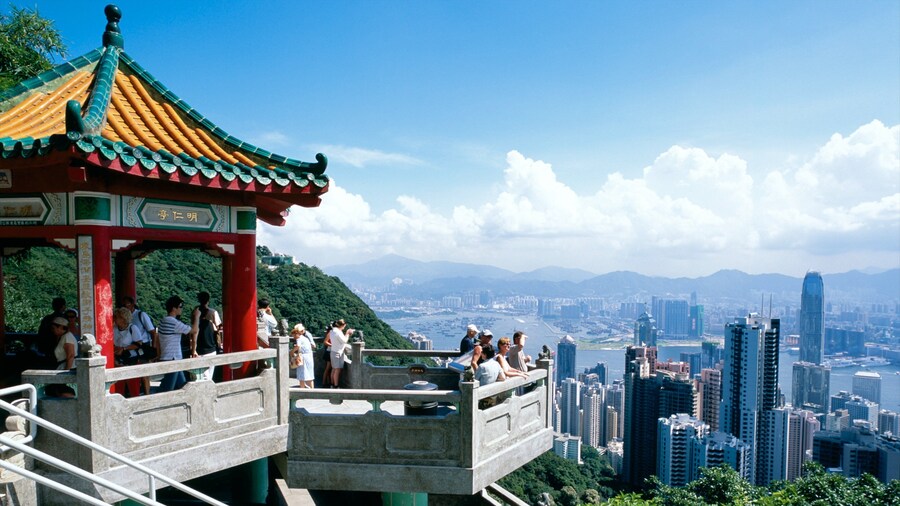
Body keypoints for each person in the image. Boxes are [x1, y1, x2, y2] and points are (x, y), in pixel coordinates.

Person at [156, 296, 195, 392]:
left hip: (167, 357)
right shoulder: (173, 322)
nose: (181, 308)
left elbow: (157, 339)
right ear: (174, 308)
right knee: (167, 389)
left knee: (183, 387)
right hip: (173, 359)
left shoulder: (163, 321)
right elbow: (194, 330)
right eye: (180, 306)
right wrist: (197, 317)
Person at [121, 296, 157, 395]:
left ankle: (147, 394)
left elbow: (153, 332)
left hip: (143, 346)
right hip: (130, 347)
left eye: (127, 304)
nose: (125, 307)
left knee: (144, 372)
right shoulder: (123, 318)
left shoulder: (141, 315)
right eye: (123, 305)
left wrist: (153, 349)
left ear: (132, 304)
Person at [113, 307, 146, 397]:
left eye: (117, 317)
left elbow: (139, 343)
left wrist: (124, 349)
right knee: (118, 387)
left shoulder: (132, 328)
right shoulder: (114, 328)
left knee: (133, 388)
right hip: (118, 360)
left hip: (131, 360)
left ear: (123, 318)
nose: (115, 319)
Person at [191, 291, 222, 382]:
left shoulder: (195, 312)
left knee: (200, 376)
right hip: (211, 346)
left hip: (198, 348)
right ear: (208, 300)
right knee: (209, 376)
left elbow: (193, 330)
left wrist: (193, 349)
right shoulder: (213, 312)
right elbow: (218, 327)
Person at [44, 316, 77, 397]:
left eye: (54, 328)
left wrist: (66, 373)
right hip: (62, 367)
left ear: (61, 327)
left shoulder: (67, 337)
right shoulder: (62, 337)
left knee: (60, 389)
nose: (53, 330)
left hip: (68, 367)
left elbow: (70, 355)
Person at [329, 319, 355, 388]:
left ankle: (332, 384)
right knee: (337, 370)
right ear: (342, 325)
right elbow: (344, 340)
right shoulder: (338, 332)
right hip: (337, 352)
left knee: (334, 369)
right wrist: (347, 333)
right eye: (344, 326)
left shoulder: (332, 331)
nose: (344, 327)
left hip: (334, 351)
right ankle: (336, 386)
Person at [291, 324, 316, 388]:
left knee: (301, 375)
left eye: (293, 335)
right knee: (310, 375)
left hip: (303, 357)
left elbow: (298, 346)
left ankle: (302, 391)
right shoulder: (305, 338)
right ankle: (312, 391)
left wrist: (292, 351)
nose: (293, 337)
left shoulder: (299, 338)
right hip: (309, 356)